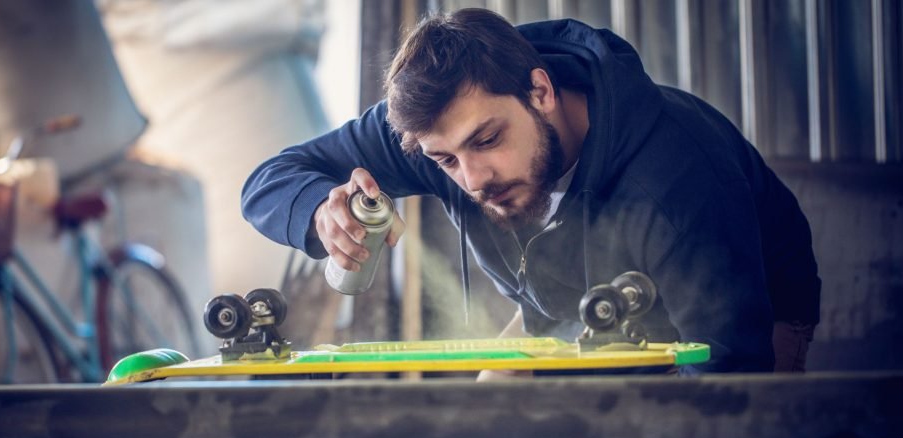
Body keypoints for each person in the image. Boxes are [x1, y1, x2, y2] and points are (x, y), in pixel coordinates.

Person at [241, 8, 820, 374]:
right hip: (563, 306)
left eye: (488, 140)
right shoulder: (440, 137)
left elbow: (730, 371)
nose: (473, 181)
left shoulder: (677, 176)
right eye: (445, 160)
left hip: (730, 318)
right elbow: (268, 180)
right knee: (495, 425)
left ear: (539, 91)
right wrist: (320, 210)